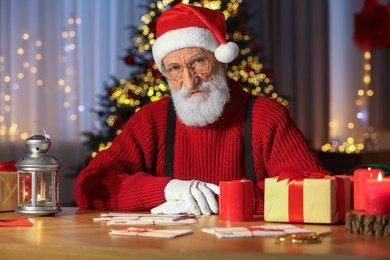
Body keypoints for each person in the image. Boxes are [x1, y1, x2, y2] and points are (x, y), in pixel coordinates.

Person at [74, 3, 324, 215]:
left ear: (222, 62)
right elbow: (89, 186)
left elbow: (316, 192)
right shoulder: (152, 120)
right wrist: (166, 189)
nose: (190, 81)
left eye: (198, 62)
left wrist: (224, 199)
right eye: (174, 69)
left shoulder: (266, 117)